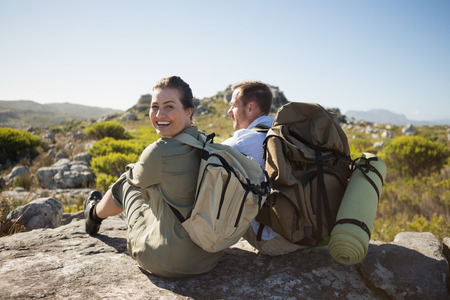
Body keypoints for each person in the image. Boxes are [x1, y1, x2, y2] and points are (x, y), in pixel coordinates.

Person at [84, 76, 223, 278]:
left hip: (168, 260)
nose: (159, 114)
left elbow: (134, 183)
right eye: (155, 106)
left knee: (127, 182)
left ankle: (93, 214)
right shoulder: (203, 140)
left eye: (169, 107)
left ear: (188, 112)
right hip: (208, 256)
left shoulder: (160, 151)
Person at [223, 80, 305, 256]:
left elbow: (204, 161)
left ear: (251, 108)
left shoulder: (242, 142)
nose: (229, 112)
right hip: (308, 234)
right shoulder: (290, 134)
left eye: (233, 106)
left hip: (274, 240)